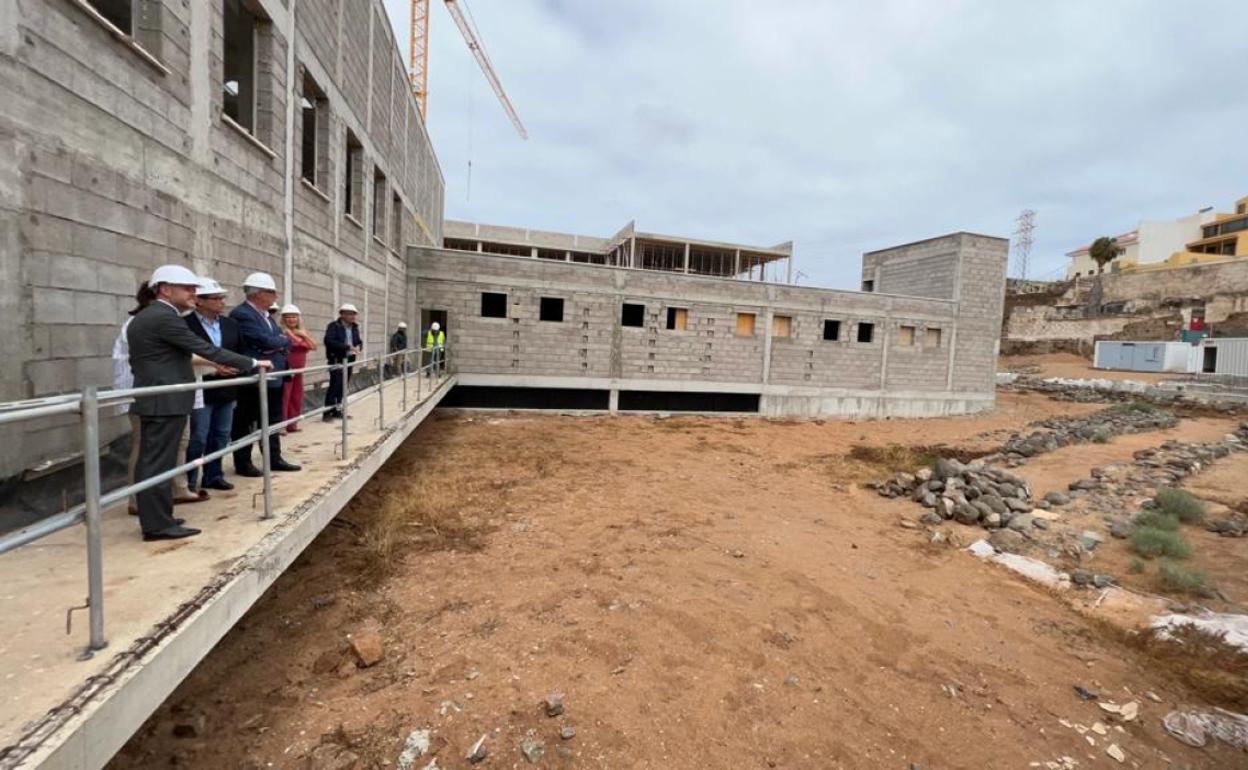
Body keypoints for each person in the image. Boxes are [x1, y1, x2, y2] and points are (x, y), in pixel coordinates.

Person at [127, 265, 266, 541]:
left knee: (160, 463)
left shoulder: (157, 315)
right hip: (163, 401)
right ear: (165, 289)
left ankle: (160, 517)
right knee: (157, 464)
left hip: (163, 400)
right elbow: (204, 348)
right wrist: (251, 362)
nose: (194, 293)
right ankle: (156, 525)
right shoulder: (163, 317)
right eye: (188, 288)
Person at [229, 272, 300, 475]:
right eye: (272, 292)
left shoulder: (266, 316)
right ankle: (243, 463)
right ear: (259, 293)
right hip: (253, 378)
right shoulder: (242, 314)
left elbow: (284, 341)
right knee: (245, 421)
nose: (275, 297)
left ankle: (274, 458)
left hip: (274, 377)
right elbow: (267, 342)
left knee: (273, 420)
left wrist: (278, 343)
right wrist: (278, 342)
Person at [185, 279, 243, 492]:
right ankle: (189, 481)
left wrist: (237, 368)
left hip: (227, 387)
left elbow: (238, 351)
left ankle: (213, 475)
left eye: (222, 298)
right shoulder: (185, 324)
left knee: (220, 434)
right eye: (216, 298)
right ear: (199, 301)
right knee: (198, 436)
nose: (221, 302)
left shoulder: (230, 325)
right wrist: (214, 368)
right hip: (201, 388)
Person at [113, 282, 156, 516]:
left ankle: (148, 497)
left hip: (150, 393)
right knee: (142, 446)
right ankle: (137, 500)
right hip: (140, 394)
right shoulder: (139, 324)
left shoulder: (146, 321)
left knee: (150, 447)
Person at [279, 304, 316, 431]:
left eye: (294, 317)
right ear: (283, 319)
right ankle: (282, 426)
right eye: (288, 317)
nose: (291, 319)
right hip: (287, 369)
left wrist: (304, 335)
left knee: (297, 396)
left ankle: (292, 424)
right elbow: (297, 344)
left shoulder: (302, 332)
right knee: (285, 397)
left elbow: (313, 346)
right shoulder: (282, 332)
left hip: (299, 370)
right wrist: (294, 334)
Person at [324, 303, 362, 420]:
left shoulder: (354, 327)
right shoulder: (334, 326)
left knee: (343, 386)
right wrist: (346, 347)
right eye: (349, 314)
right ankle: (327, 412)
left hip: (349, 359)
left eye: (353, 314)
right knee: (335, 384)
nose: (352, 317)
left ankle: (338, 410)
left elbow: (358, 341)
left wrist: (360, 346)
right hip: (337, 359)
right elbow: (329, 341)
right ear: (342, 314)